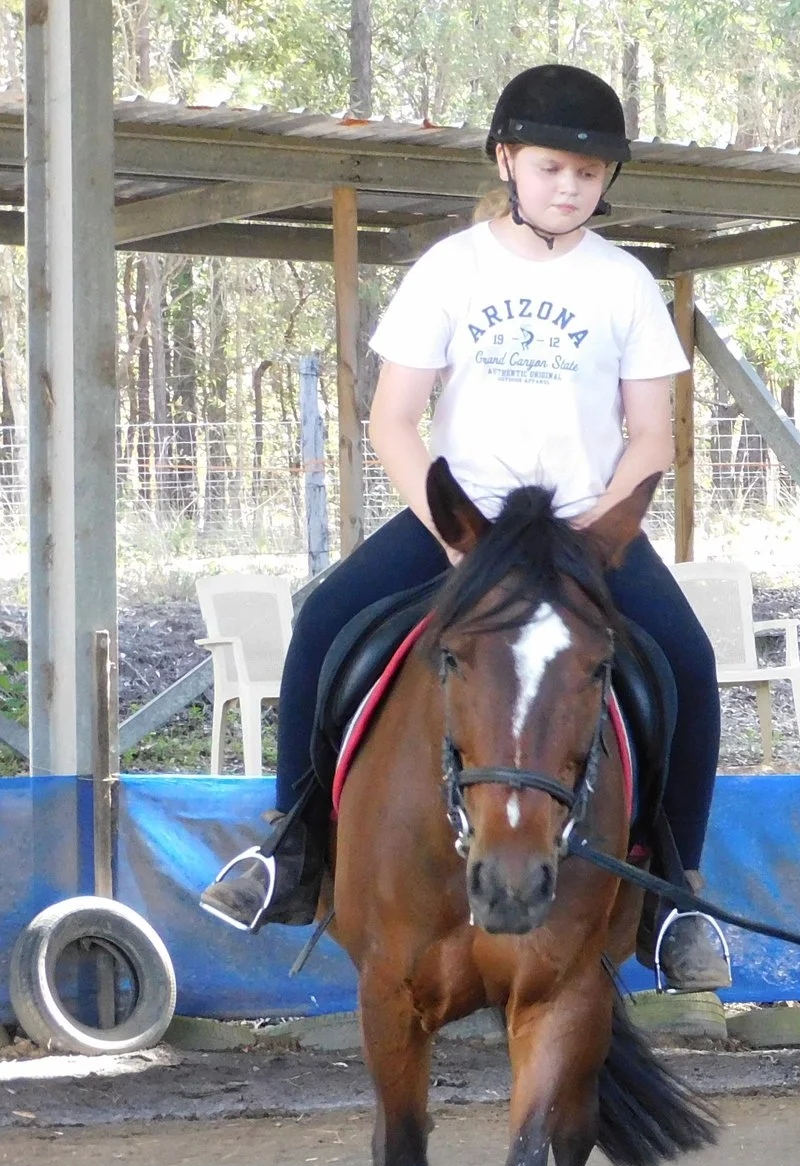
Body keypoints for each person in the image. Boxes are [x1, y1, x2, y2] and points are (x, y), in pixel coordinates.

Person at [200, 63, 732, 993]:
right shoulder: (452, 267)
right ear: (508, 161)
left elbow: (652, 435)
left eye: (588, 172)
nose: (569, 186)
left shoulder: (625, 283)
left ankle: (674, 894)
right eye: (551, 167)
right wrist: (452, 536)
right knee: (324, 625)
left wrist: (599, 532)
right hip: (462, 518)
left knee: (687, 661)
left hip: (579, 526)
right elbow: (391, 420)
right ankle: (290, 847)